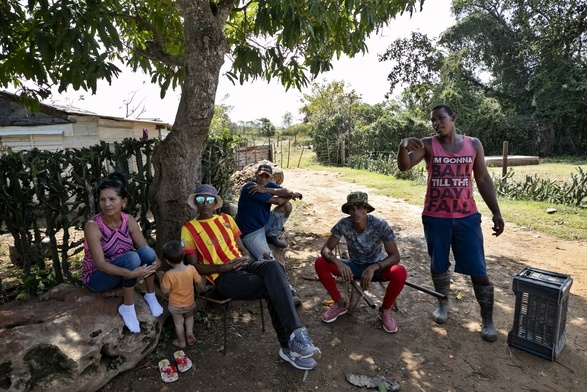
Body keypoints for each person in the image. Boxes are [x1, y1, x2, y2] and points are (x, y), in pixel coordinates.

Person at [181, 184, 321, 371]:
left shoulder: (226, 219)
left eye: (209, 199)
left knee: (274, 267)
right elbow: (193, 266)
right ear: (195, 203)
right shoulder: (189, 228)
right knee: (274, 287)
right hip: (224, 277)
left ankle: (293, 342)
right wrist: (223, 266)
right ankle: (293, 343)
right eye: (200, 199)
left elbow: (243, 250)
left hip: (245, 265)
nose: (205, 203)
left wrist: (245, 258)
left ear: (215, 202)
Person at [397, 104, 505, 342]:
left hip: (467, 217)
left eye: (441, 118)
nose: (437, 123)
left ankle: (487, 320)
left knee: (478, 268)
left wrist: (496, 212)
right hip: (436, 217)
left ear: (453, 117)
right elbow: (404, 165)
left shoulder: (473, 144)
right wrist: (403, 145)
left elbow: (483, 178)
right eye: (433, 120)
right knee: (439, 264)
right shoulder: (428, 144)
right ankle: (442, 304)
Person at [315, 191, 407, 333]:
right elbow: (326, 249)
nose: (355, 212)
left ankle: (385, 309)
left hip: (377, 267)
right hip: (355, 266)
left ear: (367, 209)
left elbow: (395, 256)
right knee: (321, 262)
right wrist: (338, 262)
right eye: (351, 209)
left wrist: (374, 267)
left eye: (359, 208)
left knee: (400, 272)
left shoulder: (380, 225)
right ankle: (339, 303)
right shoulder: (344, 224)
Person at [82, 172, 163, 333]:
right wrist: (131, 273)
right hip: (98, 277)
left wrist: (157, 261)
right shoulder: (93, 226)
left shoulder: (129, 220)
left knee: (146, 252)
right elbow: (101, 264)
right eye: (103, 199)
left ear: (123, 202)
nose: (107, 204)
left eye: (112, 199)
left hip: (123, 272)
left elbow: (144, 246)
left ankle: (150, 295)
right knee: (132, 257)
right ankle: (128, 307)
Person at [237, 163, 303, 305]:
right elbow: (280, 199)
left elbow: (287, 192)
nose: (263, 179)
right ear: (256, 175)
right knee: (269, 259)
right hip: (251, 232)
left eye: (266, 176)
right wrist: (290, 195)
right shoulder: (250, 187)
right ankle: (288, 291)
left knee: (287, 207)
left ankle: (271, 235)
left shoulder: (267, 185)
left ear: (270, 177)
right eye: (261, 176)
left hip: (263, 225)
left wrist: (266, 189)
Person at [160, 240, 206, 348]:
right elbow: (200, 283)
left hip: (176, 306)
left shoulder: (168, 275)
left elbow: (165, 291)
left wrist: (161, 278)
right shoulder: (191, 269)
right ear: (184, 253)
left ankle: (181, 342)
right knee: (189, 317)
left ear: (167, 261)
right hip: (189, 302)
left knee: (178, 323)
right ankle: (189, 332)